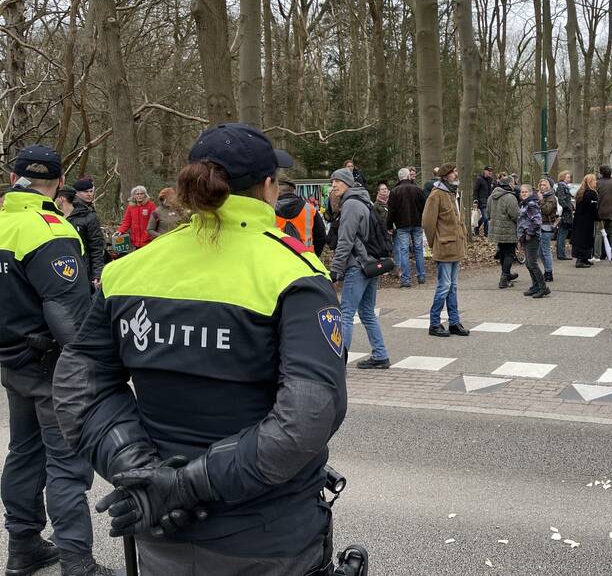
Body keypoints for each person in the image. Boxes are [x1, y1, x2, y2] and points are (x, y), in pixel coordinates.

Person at [53, 123, 352, 574]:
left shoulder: (130, 271)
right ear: (269, 189)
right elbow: (307, 417)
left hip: (159, 528)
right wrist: (182, 485)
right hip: (267, 536)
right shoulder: (292, 271)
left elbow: (80, 388)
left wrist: (142, 473)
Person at [1, 145, 116, 576]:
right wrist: (97, 370)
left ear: (15, 179)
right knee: (66, 462)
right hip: (52, 367)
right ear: (58, 180)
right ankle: (76, 560)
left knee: (23, 452)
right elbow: (69, 315)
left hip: (12, 364)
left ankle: (23, 545)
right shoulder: (51, 230)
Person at [328, 168, 390, 370]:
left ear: (347, 183)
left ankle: (338, 363)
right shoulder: (364, 201)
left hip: (358, 265)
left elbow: (345, 240)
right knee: (367, 313)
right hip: (371, 265)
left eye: (337, 181)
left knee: (346, 313)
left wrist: (336, 270)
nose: (334, 185)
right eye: (332, 181)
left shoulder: (351, 205)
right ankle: (380, 355)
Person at [422, 163, 470, 337]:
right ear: (445, 176)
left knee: (453, 286)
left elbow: (460, 220)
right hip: (444, 247)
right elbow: (428, 223)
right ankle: (434, 323)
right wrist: (435, 242)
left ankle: (454, 323)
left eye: (456, 171)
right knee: (444, 286)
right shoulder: (437, 195)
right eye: (453, 172)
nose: (456, 174)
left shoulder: (454, 193)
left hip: (456, 246)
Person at [387, 168, 427, 287]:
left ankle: (406, 279)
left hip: (402, 224)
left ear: (399, 178)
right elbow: (423, 207)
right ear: (408, 176)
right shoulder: (418, 189)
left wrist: (389, 225)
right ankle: (421, 276)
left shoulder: (395, 191)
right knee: (419, 249)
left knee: (404, 250)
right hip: (417, 223)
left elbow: (391, 211)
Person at [66, 180, 106, 290]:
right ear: (76, 193)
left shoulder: (89, 214)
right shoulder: (68, 209)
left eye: (91, 191)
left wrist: (97, 273)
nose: (89, 194)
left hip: (85, 267)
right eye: (85, 192)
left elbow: (96, 246)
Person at [275, 177, 327, 256]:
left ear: (277, 190)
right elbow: (321, 237)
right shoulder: (310, 209)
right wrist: (314, 257)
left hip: (277, 258)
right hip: (306, 259)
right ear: (293, 190)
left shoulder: (268, 209)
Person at [517, 184, 550, 298]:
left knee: (532, 263)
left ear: (531, 193)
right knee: (528, 263)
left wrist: (529, 233)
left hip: (532, 237)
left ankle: (543, 287)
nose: (524, 193)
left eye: (526, 192)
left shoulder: (531, 205)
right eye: (522, 192)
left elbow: (537, 221)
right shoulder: (524, 204)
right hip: (525, 237)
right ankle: (535, 286)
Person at [487, 176, 520, 289]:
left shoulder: (492, 196)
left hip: (496, 230)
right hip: (508, 230)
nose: (514, 185)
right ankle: (504, 279)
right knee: (510, 253)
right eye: (513, 183)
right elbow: (515, 215)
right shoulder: (510, 197)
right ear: (510, 184)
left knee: (502, 252)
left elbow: (488, 212)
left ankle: (506, 274)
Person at [116, 185, 156, 250]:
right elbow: (127, 221)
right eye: (137, 194)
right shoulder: (131, 207)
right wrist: (120, 231)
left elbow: (156, 221)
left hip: (148, 240)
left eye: (141, 194)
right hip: (136, 241)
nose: (139, 196)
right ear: (134, 196)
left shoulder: (151, 205)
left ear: (145, 195)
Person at [571, 174, 599, 268]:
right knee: (585, 239)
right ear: (590, 182)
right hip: (587, 220)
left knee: (580, 238)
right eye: (594, 180)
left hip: (579, 219)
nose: (596, 182)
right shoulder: (591, 193)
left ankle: (585, 259)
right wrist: (597, 217)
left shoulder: (580, 192)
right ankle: (580, 260)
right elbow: (592, 209)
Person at [595, 165, 612, 261]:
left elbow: (596, 198)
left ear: (601, 173)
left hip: (600, 213)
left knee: (599, 234)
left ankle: (597, 255)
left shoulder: (598, 183)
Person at [538, 177, 558, 282]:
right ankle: (546, 270)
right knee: (540, 251)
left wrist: (541, 200)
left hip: (547, 226)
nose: (542, 187)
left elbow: (546, 210)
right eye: (541, 185)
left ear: (549, 186)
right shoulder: (539, 196)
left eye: (544, 185)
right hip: (538, 226)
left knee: (545, 250)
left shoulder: (551, 197)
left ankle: (549, 272)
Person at [555, 171, 574, 260]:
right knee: (563, 233)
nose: (569, 179)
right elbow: (561, 200)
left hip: (565, 212)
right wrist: (568, 208)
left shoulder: (563, 186)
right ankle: (561, 254)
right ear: (563, 177)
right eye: (567, 177)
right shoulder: (562, 186)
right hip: (565, 214)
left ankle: (560, 253)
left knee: (561, 233)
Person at [473, 167, 495, 236]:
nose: (490, 172)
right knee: (485, 217)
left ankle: (486, 233)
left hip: (489, 201)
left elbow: (491, 190)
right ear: (484, 171)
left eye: (491, 171)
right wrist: (475, 200)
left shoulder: (490, 180)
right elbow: (475, 190)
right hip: (481, 201)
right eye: (488, 171)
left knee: (487, 217)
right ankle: (476, 228)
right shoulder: (479, 179)